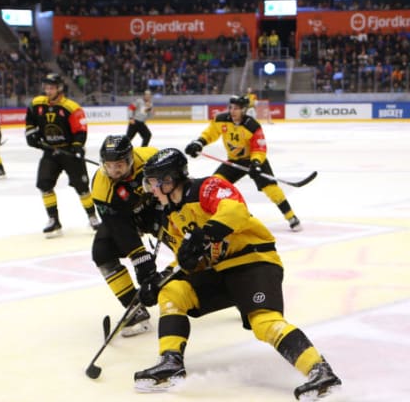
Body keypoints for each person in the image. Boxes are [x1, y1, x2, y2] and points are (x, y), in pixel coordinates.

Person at [134, 148, 342, 400]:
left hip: (253, 260)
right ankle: (171, 362)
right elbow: (186, 257)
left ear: (170, 180)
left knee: (263, 322)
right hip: (219, 271)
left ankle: (320, 372)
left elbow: (236, 211)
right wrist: (159, 280)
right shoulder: (172, 214)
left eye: (154, 182)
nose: (151, 189)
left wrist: (205, 234)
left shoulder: (208, 188)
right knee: (173, 291)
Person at [184, 95, 302, 231]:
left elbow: (259, 148)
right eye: (231, 108)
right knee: (215, 184)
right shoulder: (221, 120)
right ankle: (213, 219)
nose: (233, 111)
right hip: (234, 161)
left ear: (244, 110)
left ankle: (291, 217)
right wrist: (199, 143)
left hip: (254, 161)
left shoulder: (252, 126)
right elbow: (210, 133)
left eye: (237, 108)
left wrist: (256, 163)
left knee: (271, 189)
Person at [91, 135, 164, 337]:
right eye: (109, 165)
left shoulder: (150, 157)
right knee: (102, 253)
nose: (114, 171)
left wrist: (165, 209)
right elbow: (117, 226)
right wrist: (140, 257)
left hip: (155, 207)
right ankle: (135, 310)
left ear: (130, 159)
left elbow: (176, 184)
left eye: (120, 165)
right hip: (125, 218)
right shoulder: (101, 186)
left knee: (186, 243)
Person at [25, 72, 100, 237]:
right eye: (46, 87)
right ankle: (53, 219)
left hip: (69, 152)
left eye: (51, 87)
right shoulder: (37, 104)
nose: (48, 90)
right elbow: (30, 118)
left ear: (59, 88)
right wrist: (31, 133)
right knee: (44, 184)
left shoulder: (71, 107)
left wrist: (77, 147)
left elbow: (80, 130)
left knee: (82, 187)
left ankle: (92, 217)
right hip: (50, 152)